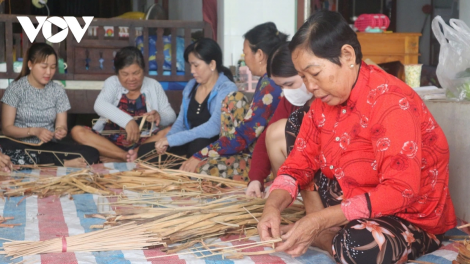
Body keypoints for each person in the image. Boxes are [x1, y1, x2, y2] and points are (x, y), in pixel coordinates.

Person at [258, 11, 456, 264]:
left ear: (347, 56)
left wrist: (318, 221)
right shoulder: (322, 104)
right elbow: (297, 166)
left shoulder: (391, 101)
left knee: (357, 246)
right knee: (297, 121)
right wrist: (272, 208)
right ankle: (326, 229)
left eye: (315, 73)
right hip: (354, 198)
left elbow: (400, 192)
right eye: (304, 77)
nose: (309, 86)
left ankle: (325, 234)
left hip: (407, 216)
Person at [167, 22, 286, 179]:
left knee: (203, 169)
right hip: (250, 150)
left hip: (265, 160)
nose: (244, 58)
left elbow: (243, 135)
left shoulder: (269, 84)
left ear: (260, 55)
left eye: (246, 53)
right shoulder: (266, 80)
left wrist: (201, 154)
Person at [135, 38, 238, 162]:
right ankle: (185, 168)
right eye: (191, 65)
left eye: (196, 65)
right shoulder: (191, 86)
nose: (192, 71)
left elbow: (214, 126)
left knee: (199, 144)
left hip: (213, 146)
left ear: (212, 64)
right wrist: (166, 141)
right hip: (190, 142)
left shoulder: (226, 88)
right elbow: (180, 123)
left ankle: (188, 169)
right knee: (145, 151)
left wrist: (172, 140)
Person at [0, 43, 99, 167]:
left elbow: (61, 125)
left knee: (91, 153)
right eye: (44, 66)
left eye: (52, 67)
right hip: (18, 144)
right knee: (7, 150)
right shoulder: (15, 89)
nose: (48, 72)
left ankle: (49, 162)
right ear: (30, 64)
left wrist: (60, 131)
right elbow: (7, 129)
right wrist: (34, 131)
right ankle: (60, 163)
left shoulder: (58, 90)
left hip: (47, 147)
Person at [71, 46, 176, 162]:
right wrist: (128, 121)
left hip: (143, 143)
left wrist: (159, 116)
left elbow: (171, 116)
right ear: (117, 73)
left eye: (136, 73)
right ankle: (123, 156)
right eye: (125, 74)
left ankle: (129, 156)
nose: (131, 79)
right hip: (110, 142)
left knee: (172, 130)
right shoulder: (112, 82)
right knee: (77, 131)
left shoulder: (153, 85)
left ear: (143, 70)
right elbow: (99, 105)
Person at [246, 42, 315, 198]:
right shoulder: (290, 101)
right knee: (275, 130)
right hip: (299, 173)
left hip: (326, 174)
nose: (287, 92)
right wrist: (256, 179)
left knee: (279, 130)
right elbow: (266, 138)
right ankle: (287, 192)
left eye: (289, 84)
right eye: (281, 87)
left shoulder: (327, 96)